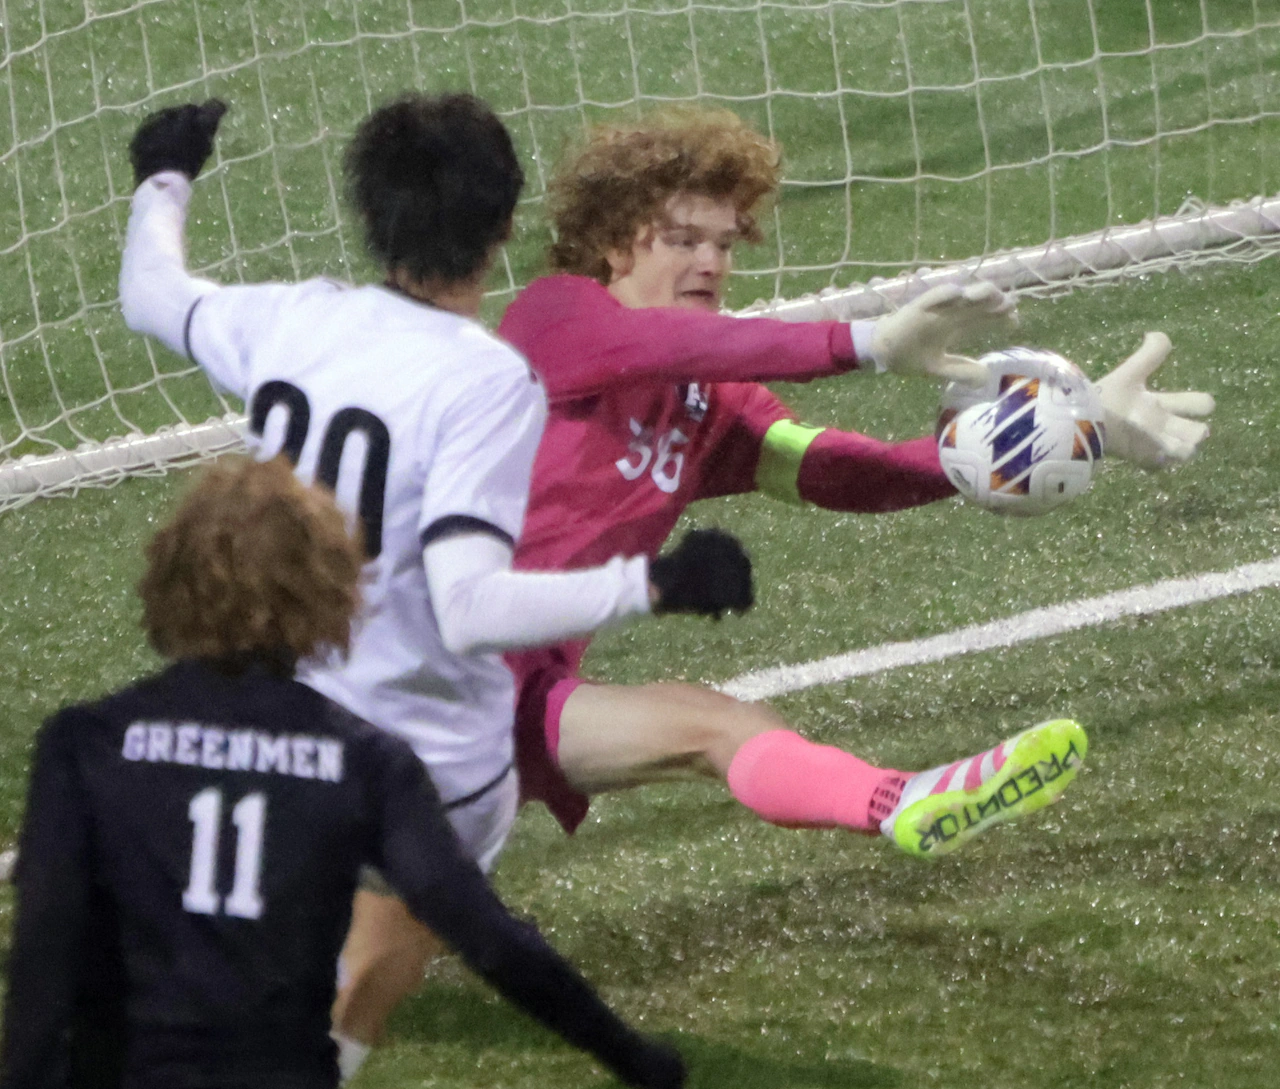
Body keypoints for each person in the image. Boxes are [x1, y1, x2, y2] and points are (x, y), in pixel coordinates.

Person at [336, 107, 1217, 1040]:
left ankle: (901, 802)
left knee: (714, 727)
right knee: (313, 952)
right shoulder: (556, 320)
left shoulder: (709, 401)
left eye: (725, 243)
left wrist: (1049, 438)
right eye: (682, 239)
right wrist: (861, 341)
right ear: (610, 242)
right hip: (411, 671)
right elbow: (672, 347)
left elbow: (831, 468)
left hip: (515, 692)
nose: (711, 263)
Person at [0, 456, 685, 1089]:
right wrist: (632, 1055)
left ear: (167, 577)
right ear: (327, 595)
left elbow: (41, 969)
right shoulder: (362, 760)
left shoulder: (85, 744)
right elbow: (485, 934)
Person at [118, 94, 751, 1081]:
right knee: (351, 995)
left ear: (370, 214)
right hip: (425, 755)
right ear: (503, 228)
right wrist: (653, 584)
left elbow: (149, 291)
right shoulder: (484, 380)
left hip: (272, 723)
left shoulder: (287, 320)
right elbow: (469, 608)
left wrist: (164, 177)